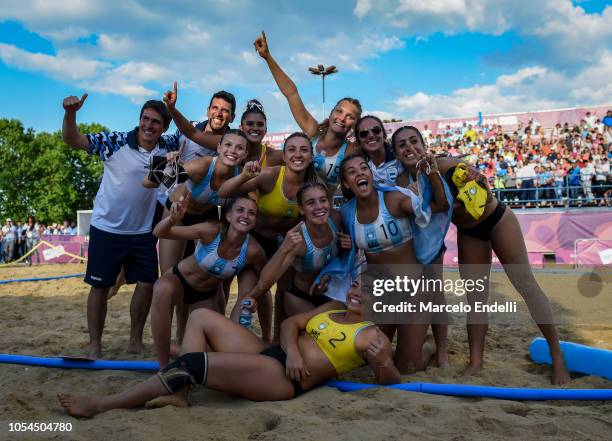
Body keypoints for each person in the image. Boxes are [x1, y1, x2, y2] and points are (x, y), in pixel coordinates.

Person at [58, 279, 404, 418]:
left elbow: (390, 383)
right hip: (275, 353)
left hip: (282, 379)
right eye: (357, 284)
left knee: (191, 362)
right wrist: (294, 350)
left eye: (368, 290)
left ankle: (103, 404)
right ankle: (181, 395)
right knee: (202, 317)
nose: (358, 291)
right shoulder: (333, 307)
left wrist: (386, 364)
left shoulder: (371, 335)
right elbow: (289, 324)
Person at [433, 156, 571, 384]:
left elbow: (484, 194)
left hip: (497, 218)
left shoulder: (447, 166)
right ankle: (476, 361)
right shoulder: (412, 181)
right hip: (469, 232)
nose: (410, 148)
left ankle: (557, 356)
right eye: (403, 145)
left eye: (414, 142)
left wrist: (466, 187)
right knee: (476, 299)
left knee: (526, 285)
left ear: (422, 146)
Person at [61, 93, 180, 358]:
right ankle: (95, 345)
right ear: (139, 120)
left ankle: (135, 341)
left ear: (165, 127)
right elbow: (72, 140)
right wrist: (70, 113)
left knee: (148, 283)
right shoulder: (113, 141)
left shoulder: (170, 143)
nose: (148, 125)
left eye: (156, 122)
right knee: (99, 287)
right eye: (145, 119)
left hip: (142, 232)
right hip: (107, 228)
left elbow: (197, 132)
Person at [219, 131, 321, 340]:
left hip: (284, 245)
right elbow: (225, 192)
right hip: (258, 240)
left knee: (284, 293)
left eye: (304, 150)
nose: (298, 155)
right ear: (284, 156)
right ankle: (232, 341)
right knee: (250, 291)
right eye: (291, 150)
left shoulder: (313, 185)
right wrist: (245, 176)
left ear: (311, 156)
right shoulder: (271, 175)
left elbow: (325, 216)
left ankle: (274, 340)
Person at [339, 154, 433, 373]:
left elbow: (426, 211)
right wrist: (341, 243)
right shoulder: (346, 213)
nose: (360, 173)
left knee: (407, 367)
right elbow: (336, 245)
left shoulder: (392, 198)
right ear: (345, 183)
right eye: (352, 172)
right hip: (381, 294)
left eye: (364, 168)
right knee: (371, 358)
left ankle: (429, 346)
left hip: (415, 289)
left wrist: (419, 194)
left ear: (371, 175)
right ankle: (415, 337)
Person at [151, 194, 266, 367]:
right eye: (240, 210)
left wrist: (254, 296)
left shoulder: (253, 251)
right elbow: (159, 232)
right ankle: (163, 366)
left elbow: (266, 276)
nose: (245, 216)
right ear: (228, 215)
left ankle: (176, 350)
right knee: (161, 288)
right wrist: (172, 219)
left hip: (206, 295)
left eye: (251, 213)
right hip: (180, 280)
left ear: (255, 221)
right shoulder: (212, 230)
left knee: (212, 353)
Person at [254, 31, 361, 193]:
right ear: (331, 114)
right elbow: (291, 94)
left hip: (320, 210)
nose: (342, 118)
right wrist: (268, 57)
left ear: (355, 125)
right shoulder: (313, 132)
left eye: (350, 117)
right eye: (339, 111)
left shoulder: (352, 150)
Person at [245, 182, 351, 316]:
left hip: (333, 295)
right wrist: (253, 296)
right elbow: (268, 279)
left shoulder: (336, 219)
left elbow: (352, 255)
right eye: (311, 203)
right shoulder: (298, 240)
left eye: (323, 200)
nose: (319, 207)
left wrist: (349, 245)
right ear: (301, 209)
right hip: (302, 297)